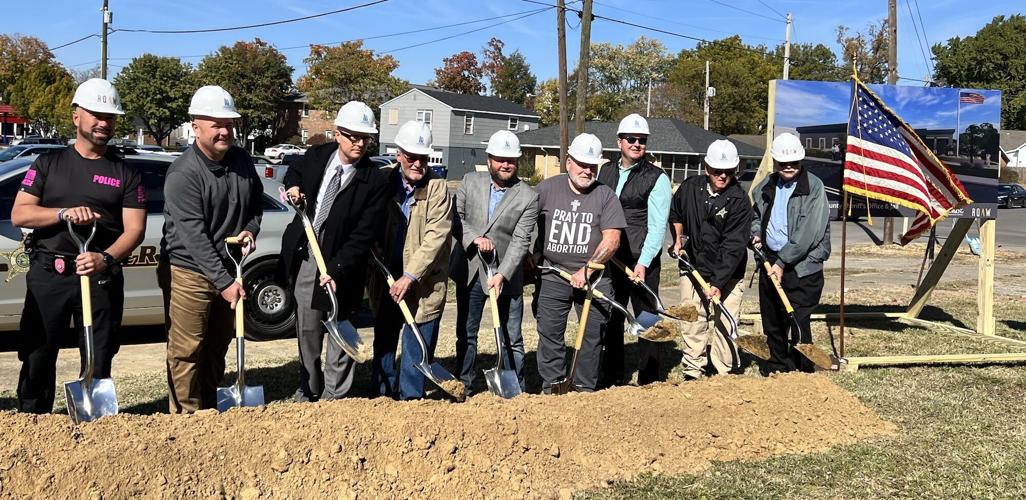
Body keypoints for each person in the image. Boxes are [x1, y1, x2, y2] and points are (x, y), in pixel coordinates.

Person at [12, 78, 145, 413]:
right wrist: (62, 213)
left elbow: (135, 230)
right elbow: (20, 214)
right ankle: (34, 419)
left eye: (110, 116)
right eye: (96, 114)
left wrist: (105, 258)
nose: (104, 122)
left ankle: (94, 427)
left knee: (100, 355)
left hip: (100, 277)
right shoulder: (47, 164)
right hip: (50, 273)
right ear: (76, 116)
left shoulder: (125, 173)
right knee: (37, 352)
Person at [159, 86, 264, 413]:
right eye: (216, 124)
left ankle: (209, 409)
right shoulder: (184, 173)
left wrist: (250, 229)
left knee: (217, 346)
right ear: (196, 126)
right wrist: (224, 283)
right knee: (187, 349)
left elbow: (257, 204)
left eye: (229, 124)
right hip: (191, 270)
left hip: (229, 269)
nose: (224, 131)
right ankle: (185, 417)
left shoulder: (242, 160)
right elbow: (194, 237)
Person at [280, 101, 389, 402]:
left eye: (365, 138)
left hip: (347, 262)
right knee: (309, 328)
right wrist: (293, 187)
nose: (360, 143)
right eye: (353, 136)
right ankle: (310, 389)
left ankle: (335, 398)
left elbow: (363, 234)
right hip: (308, 253)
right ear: (338, 134)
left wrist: (336, 269)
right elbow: (294, 173)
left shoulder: (374, 180)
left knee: (341, 330)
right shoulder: (316, 156)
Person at [532, 133, 626, 393]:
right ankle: (553, 386)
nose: (587, 170)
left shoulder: (606, 196)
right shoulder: (546, 189)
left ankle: (584, 390)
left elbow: (612, 240)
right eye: (582, 164)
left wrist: (587, 270)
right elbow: (525, 224)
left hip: (595, 278)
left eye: (592, 166)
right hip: (554, 275)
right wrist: (534, 255)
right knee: (550, 334)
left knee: (592, 337)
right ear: (568, 163)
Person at [367, 121, 453, 400]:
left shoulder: (438, 189)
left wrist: (410, 276)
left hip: (423, 283)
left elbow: (435, 239)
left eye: (423, 158)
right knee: (385, 343)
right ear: (398, 155)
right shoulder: (382, 181)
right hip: (386, 278)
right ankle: (382, 397)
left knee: (417, 347)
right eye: (411, 157)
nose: (417, 163)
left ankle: (411, 402)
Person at [451, 130, 539, 393]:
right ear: (489, 159)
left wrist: (502, 274)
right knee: (467, 333)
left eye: (511, 159)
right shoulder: (470, 181)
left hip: (506, 276)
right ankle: (463, 384)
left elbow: (521, 240)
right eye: (500, 159)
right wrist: (475, 238)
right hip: (471, 270)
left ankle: (515, 387)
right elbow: (456, 219)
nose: (505, 164)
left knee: (512, 335)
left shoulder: (528, 196)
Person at [596, 113, 671, 386]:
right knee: (612, 318)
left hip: (641, 262)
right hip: (611, 260)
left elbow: (657, 225)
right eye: (631, 139)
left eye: (642, 140)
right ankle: (612, 376)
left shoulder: (656, 178)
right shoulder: (605, 171)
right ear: (620, 141)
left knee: (647, 320)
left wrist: (645, 262)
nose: (637, 144)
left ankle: (650, 377)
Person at [668, 140, 752, 380]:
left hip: (728, 272)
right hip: (693, 266)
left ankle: (723, 371)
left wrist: (717, 283)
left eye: (728, 171)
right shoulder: (690, 187)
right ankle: (693, 368)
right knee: (693, 318)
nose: (723, 176)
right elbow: (676, 213)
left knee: (726, 321)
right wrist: (677, 239)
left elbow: (733, 247)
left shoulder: (739, 201)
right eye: (717, 170)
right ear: (706, 168)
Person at [751, 132, 831, 374]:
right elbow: (757, 215)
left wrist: (783, 262)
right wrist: (756, 234)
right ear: (775, 162)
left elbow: (809, 233)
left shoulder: (813, 187)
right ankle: (777, 365)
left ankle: (801, 368)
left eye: (793, 163)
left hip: (802, 265)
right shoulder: (766, 185)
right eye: (783, 163)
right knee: (772, 319)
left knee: (798, 320)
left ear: (801, 161)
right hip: (771, 260)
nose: (788, 167)